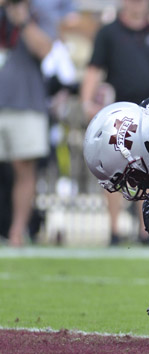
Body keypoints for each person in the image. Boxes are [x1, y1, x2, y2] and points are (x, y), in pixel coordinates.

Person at [80, 0, 149, 245]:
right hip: (117, 114)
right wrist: (87, 102)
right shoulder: (109, 32)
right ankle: (115, 230)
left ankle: (146, 229)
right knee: (111, 170)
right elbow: (94, 69)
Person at [0, 0, 53, 247]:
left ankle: (17, 232)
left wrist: (22, 20)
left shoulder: (37, 14)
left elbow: (45, 50)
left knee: (24, 169)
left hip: (25, 103)